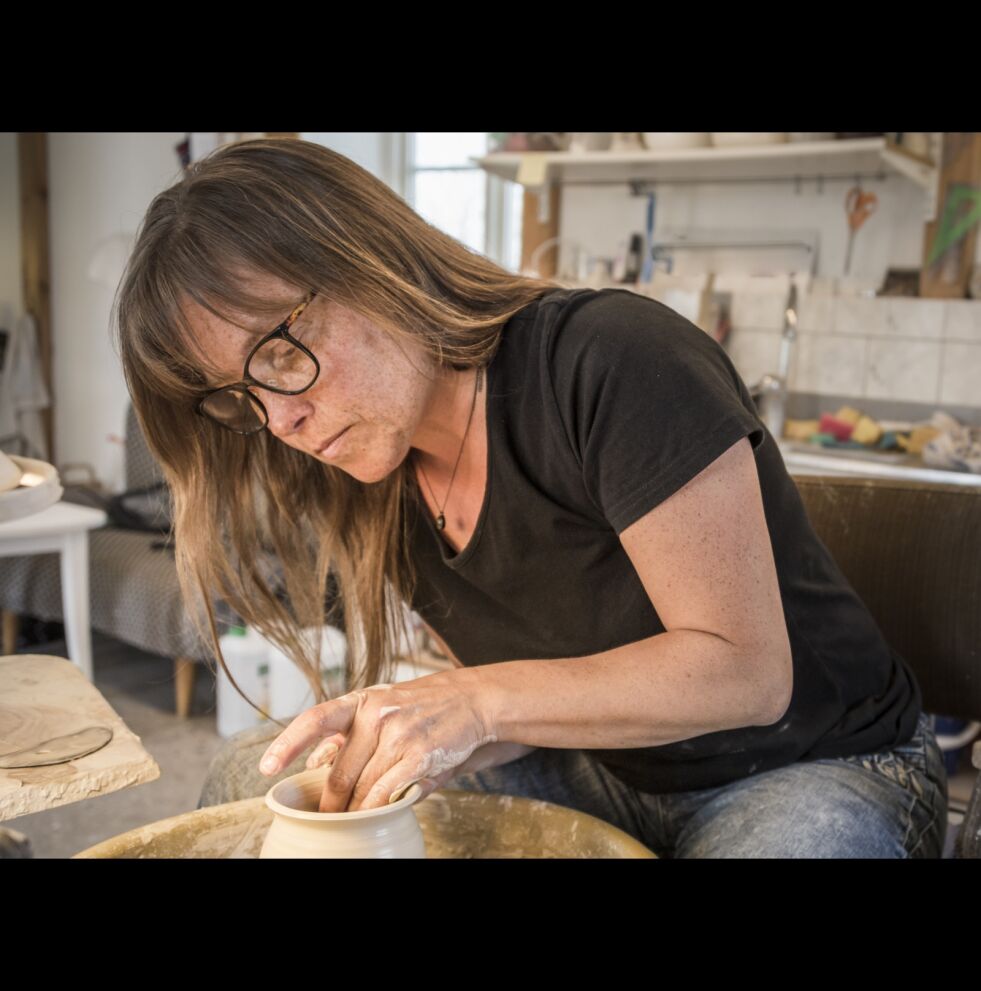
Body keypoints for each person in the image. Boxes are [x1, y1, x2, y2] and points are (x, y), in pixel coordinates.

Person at [113, 137, 948, 858]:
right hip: (610, 764)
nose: (282, 417)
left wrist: (470, 701)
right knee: (251, 780)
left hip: (813, 762)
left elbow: (746, 674)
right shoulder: (369, 465)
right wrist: (428, 736)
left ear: (371, 263)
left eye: (281, 354)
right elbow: (541, 695)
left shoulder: (610, 360)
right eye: (240, 398)